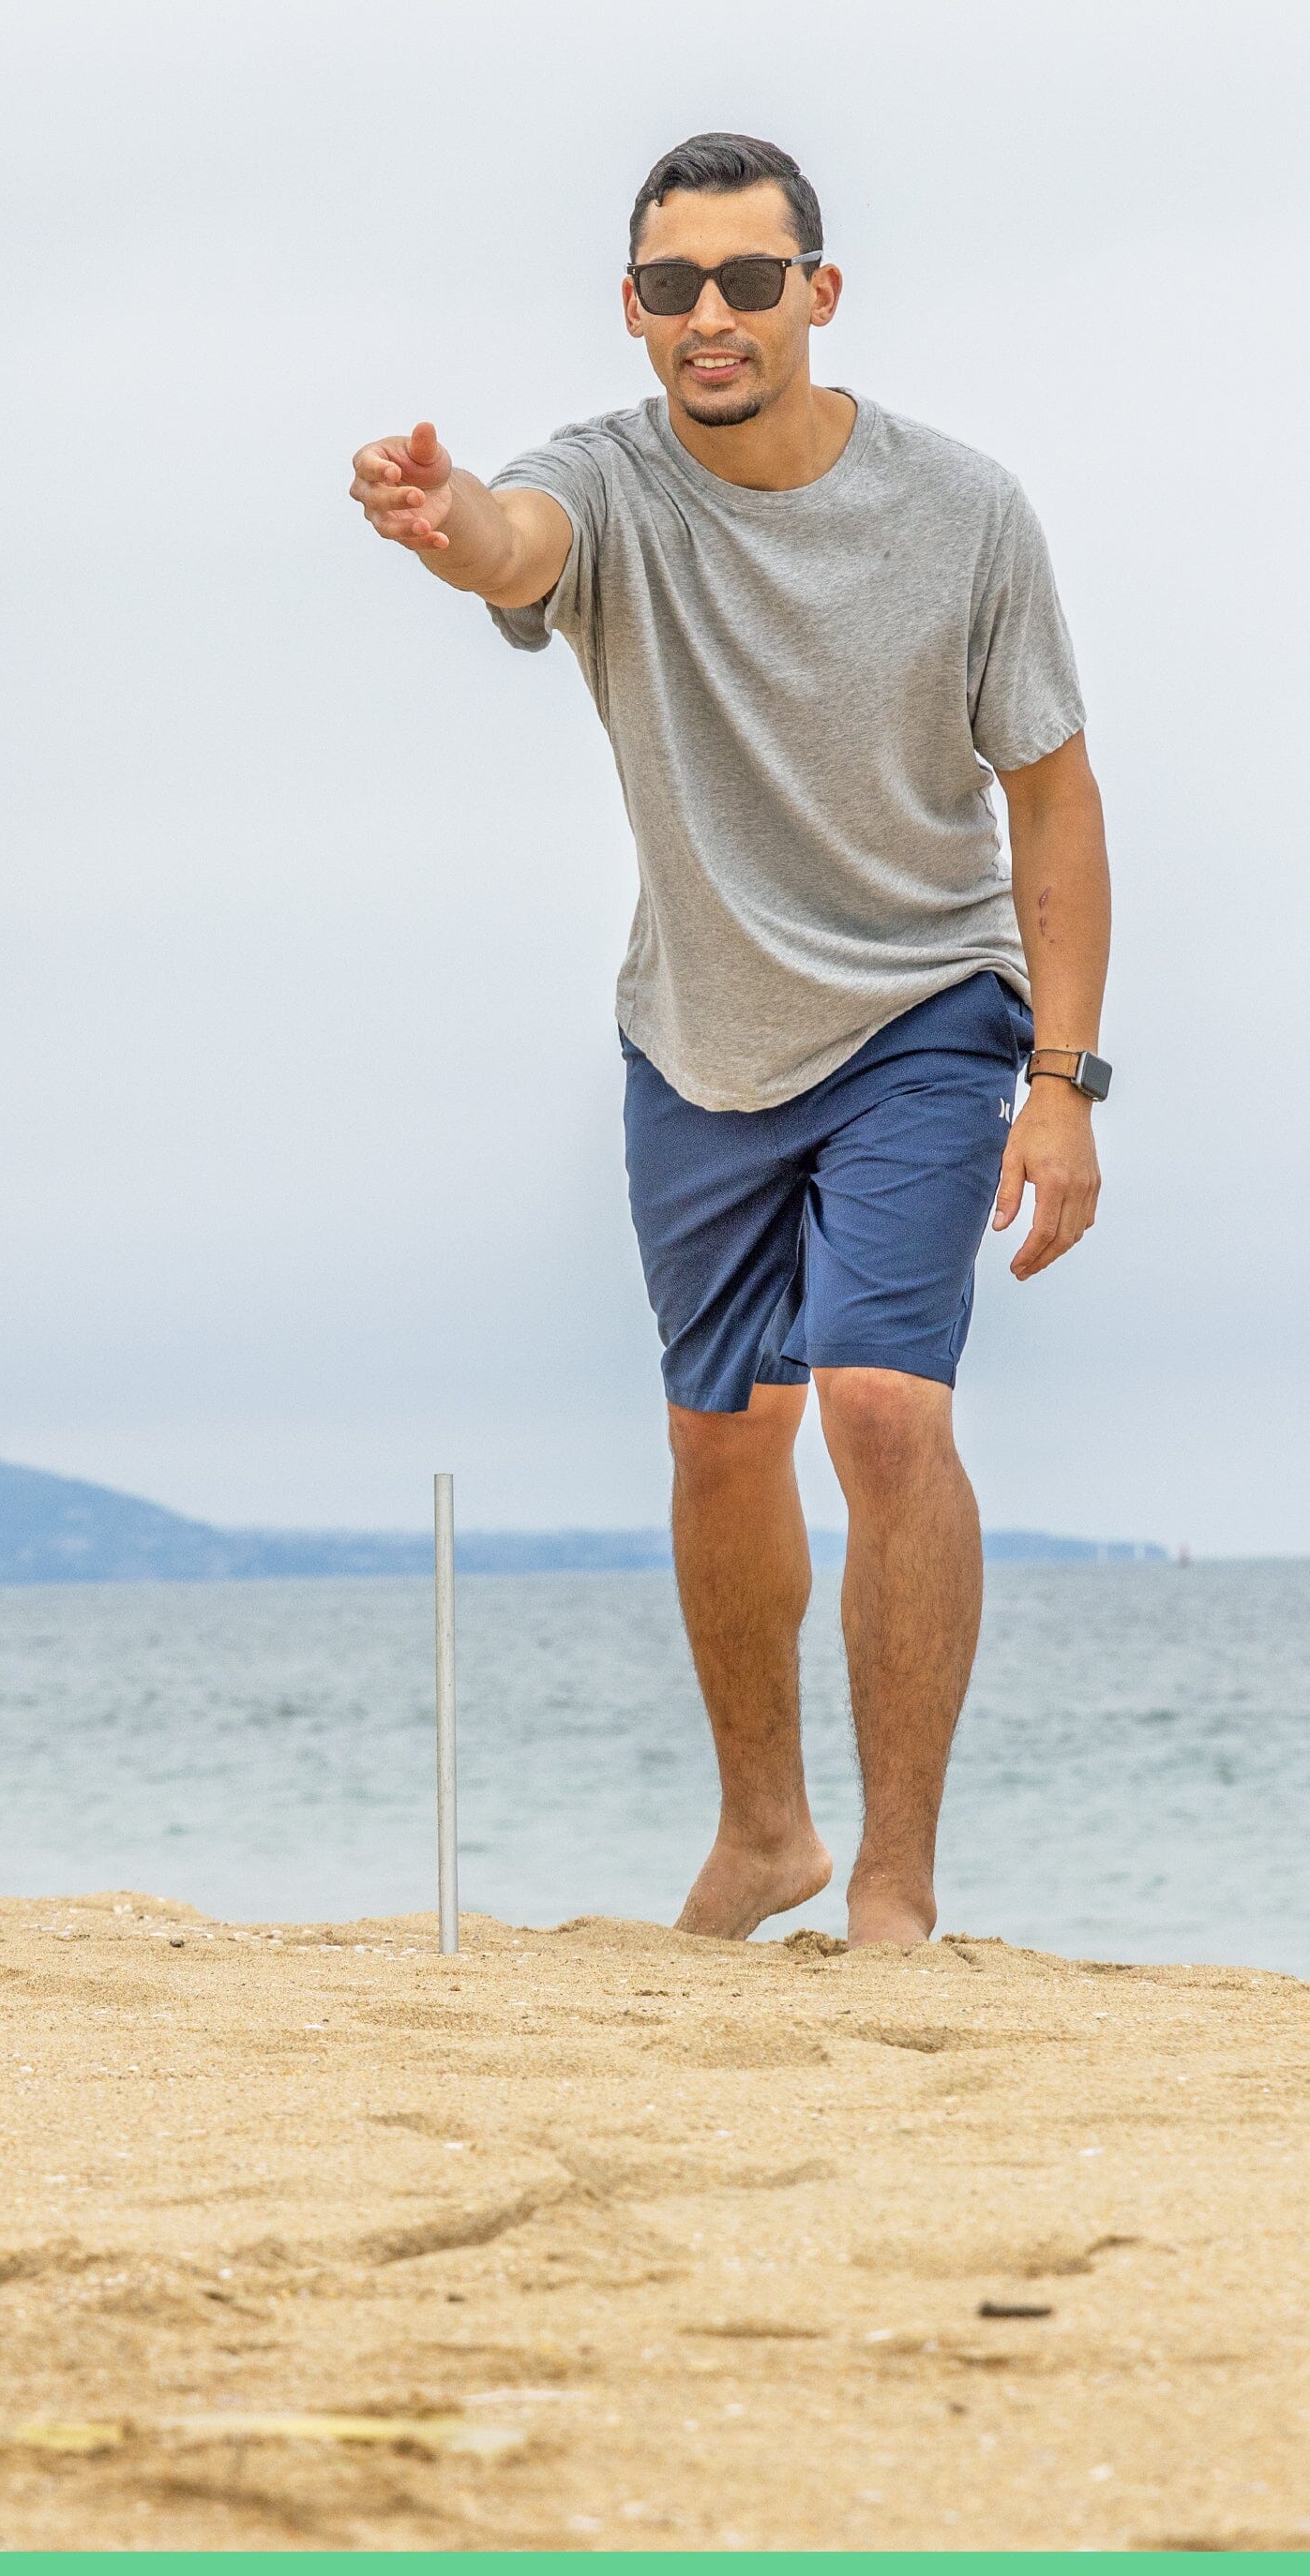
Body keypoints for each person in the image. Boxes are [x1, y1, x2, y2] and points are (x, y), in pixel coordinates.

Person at [349, 132, 1110, 1947]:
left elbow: (1056, 803)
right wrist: (441, 516)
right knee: (717, 1442)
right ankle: (763, 1834)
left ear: (817, 298)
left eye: (748, 282)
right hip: (695, 1033)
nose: (711, 315)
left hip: (931, 1001)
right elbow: (510, 544)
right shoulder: (600, 485)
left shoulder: (965, 509)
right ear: (631, 308)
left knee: (877, 1403)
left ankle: (898, 1891)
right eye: (672, 286)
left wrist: (1065, 1081)